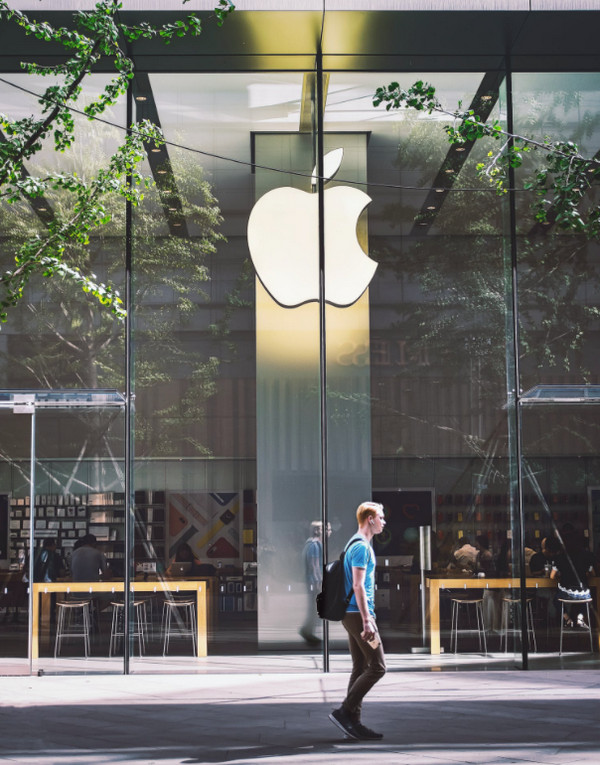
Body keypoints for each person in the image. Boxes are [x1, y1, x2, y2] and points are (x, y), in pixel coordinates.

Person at [328, 501, 386, 742]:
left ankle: (353, 722)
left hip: (351, 614)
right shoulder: (361, 547)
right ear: (370, 519)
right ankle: (344, 712)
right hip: (357, 615)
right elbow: (358, 585)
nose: (384, 521)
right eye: (381, 517)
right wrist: (367, 619)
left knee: (360, 666)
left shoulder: (353, 543)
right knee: (378, 666)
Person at [550, 527, 596, 629]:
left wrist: (561, 573)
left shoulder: (559, 557)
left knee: (556, 600)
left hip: (566, 593)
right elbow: (592, 574)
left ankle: (568, 619)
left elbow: (552, 576)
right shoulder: (586, 555)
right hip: (583, 593)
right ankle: (580, 618)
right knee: (587, 596)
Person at [299, 521, 330, 645]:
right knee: (315, 608)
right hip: (314, 581)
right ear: (318, 531)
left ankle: (308, 631)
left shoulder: (312, 544)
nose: (329, 532)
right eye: (327, 529)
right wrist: (319, 582)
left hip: (312, 581)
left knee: (314, 608)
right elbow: (314, 565)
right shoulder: (314, 545)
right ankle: (307, 631)